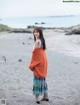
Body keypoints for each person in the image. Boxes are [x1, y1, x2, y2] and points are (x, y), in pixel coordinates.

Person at [29, 27, 49, 104]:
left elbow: (36, 54)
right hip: (43, 62)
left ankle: (37, 98)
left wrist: (32, 64)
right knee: (43, 79)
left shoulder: (37, 41)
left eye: (37, 32)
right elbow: (41, 53)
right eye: (34, 32)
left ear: (40, 33)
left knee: (36, 80)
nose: (35, 33)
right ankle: (46, 96)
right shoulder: (42, 40)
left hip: (39, 63)